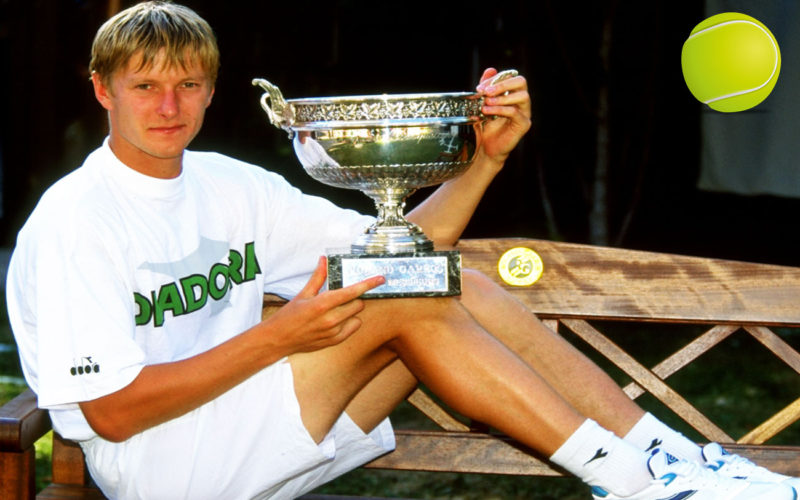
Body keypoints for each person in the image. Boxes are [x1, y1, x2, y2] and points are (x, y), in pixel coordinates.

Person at [5, 2, 798, 499]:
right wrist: (279, 336)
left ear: (213, 90)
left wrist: (486, 157)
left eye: (186, 83)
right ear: (102, 89)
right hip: (160, 467)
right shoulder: (76, 220)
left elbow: (403, 247)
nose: (168, 105)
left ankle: (672, 462)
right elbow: (109, 413)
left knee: (427, 275)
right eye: (144, 86)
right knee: (414, 289)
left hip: (255, 428)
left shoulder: (230, 185)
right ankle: (633, 481)